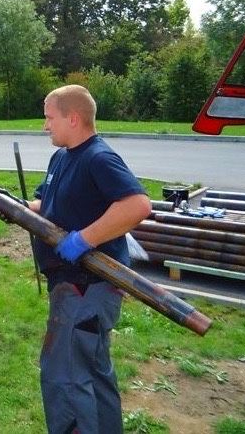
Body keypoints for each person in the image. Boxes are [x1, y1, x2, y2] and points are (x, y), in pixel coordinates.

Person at [27, 85, 151, 434]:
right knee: (92, 371)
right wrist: (24, 209)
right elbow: (46, 203)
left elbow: (137, 205)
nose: (45, 126)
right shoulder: (62, 157)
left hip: (89, 288)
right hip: (70, 285)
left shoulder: (98, 157)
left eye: (50, 118)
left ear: (74, 118)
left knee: (65, 375)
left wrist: (85, 238)